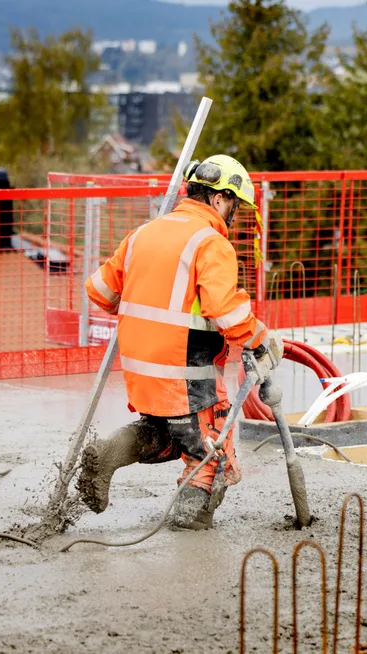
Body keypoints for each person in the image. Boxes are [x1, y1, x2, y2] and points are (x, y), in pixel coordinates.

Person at [77, 154, 283, 530]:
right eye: (235, 205)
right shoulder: (211, 242)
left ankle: (108, 453)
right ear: (220, 199)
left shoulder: (144, 233)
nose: (234, 214)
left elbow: (100, 291)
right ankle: (190, 523)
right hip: (187, 372)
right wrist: (260, 339)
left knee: (166, 436)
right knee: (212, 458)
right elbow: (226, 310)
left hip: (143, 371)